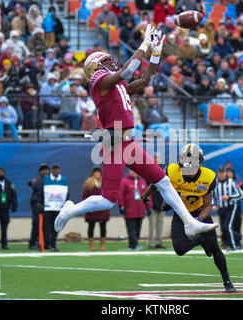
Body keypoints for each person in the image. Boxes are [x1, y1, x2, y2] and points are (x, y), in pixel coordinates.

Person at [54, 25, 218, 239]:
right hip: (113, 143)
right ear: (95, 66)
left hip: (128, 143)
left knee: (163, 181)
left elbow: (143, 81)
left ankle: (190, 223)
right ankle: (71, 210)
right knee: (108, 200)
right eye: (105, 60)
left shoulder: (116, 84)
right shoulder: (97, 81)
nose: (110, 61)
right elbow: (129, 71)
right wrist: (145, 44)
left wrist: (155, 55)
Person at [141, 144, 236, 293]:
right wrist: (145, 196)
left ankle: (227, 282)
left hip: (200, 214)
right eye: (186, 162)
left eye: (192, 162)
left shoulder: (208, 177)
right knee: (179, 249)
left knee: (215, 249)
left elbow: (207, 206)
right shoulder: (172, 171)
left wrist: (196, 223)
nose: (188, 166)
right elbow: (156, 184)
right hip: (181, 214)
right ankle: (201, 240)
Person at [213, 166, 243, 251]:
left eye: (222, 172)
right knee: (223, 228)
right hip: (221, 208)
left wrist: (229, 197)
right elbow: (212, 195)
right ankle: (239, 237)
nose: (221, 174)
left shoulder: (232, 182)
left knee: (228, 226)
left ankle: (233, 246)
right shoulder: (216, 183)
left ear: (225, 173)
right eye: (219, 172)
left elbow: (240, 195)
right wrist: (213, 205)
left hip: (230, 207)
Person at [119, 170, 149, 250]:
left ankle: (133, 244)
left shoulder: (142, 181)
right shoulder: (124, 181)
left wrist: (148, 207)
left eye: (136, 171)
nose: (134, 173)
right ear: (129, 172)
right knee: (131, 228)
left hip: (140, 210)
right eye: (132, 171)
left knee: (138, 228)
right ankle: (134, 244)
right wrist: (121, 206)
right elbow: (120, 194)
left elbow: (148, 195)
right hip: (129, 210)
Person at [82, 167, 110, 251]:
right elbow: (84, 196)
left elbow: (109, 195)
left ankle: (102, 244)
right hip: (92, 209)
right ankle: (92, 245)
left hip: (102, 209)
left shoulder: (105, 183)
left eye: (99, 172)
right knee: (91, 226)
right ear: (93, 173)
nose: (97, 174)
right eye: (95, 172)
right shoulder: (88, 183)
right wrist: (87, 207)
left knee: (103, 227)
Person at [43, 164, 69, 251]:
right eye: (54, 169)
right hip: (48, 208)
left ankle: (53, 244)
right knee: (46, 227)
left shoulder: (63, 180)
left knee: (56, 227)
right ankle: (46, 244)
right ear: (52, 170)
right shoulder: (46, 179)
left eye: (57, 169)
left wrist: (65, 206)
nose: (56, 171)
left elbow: (66, 194)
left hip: (58, 208)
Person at [28, 163, 50, 250]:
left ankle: (43, 242)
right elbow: (35, 187)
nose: (45, 171)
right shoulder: (38, 179)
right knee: (36, 224)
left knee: (46, 225)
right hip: (37, 205)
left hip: (46, 205)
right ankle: (33, 242)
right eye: (43, 170)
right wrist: (38, 204)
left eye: (46, 170)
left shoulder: (49, 179)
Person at [147, 155, 166, 249]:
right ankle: (150, 242)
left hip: (162, 202)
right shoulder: (148, 172)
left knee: (160, 223)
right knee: (152, 224)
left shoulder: (163, 172)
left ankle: (159, 242)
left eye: (157, 159)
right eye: (154, 160)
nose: (156, 161)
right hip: (152, 203)